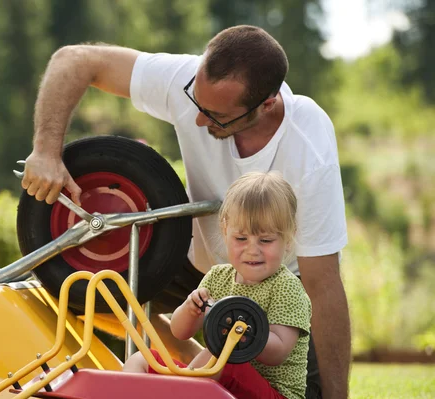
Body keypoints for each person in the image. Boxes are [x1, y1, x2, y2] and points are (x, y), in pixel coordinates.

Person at [21, 25, 350, 399]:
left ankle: (206, 376)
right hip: (205, 265)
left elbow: (323, 286)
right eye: (197, 101)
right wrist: (46, 150)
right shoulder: (186, 80)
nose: (197, 120)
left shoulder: (308, 150)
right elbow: (74, 59)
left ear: (267, 104)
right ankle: (195, 376)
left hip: (274, 280)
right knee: (88, 292)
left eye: (216, 116)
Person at [123, 171, 311, 399]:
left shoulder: (287, 288)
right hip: (213, 381)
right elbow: (180, 332)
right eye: (241, 239)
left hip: (274, 393)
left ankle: (180, 391)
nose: (253, 249)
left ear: (288, 237)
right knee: (142, 360)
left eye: (266, 240)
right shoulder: (217, 277)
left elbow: (278, 352)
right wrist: (191, 310)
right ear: (225, 231)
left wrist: (242, 333)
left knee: (222, 355)